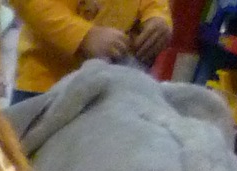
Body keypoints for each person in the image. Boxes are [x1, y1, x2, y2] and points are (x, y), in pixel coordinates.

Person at [10, 0, 172, 99]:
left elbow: (155, 4)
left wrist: (157, 16)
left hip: (117, 84)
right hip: (45, 83)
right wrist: (83, 35)